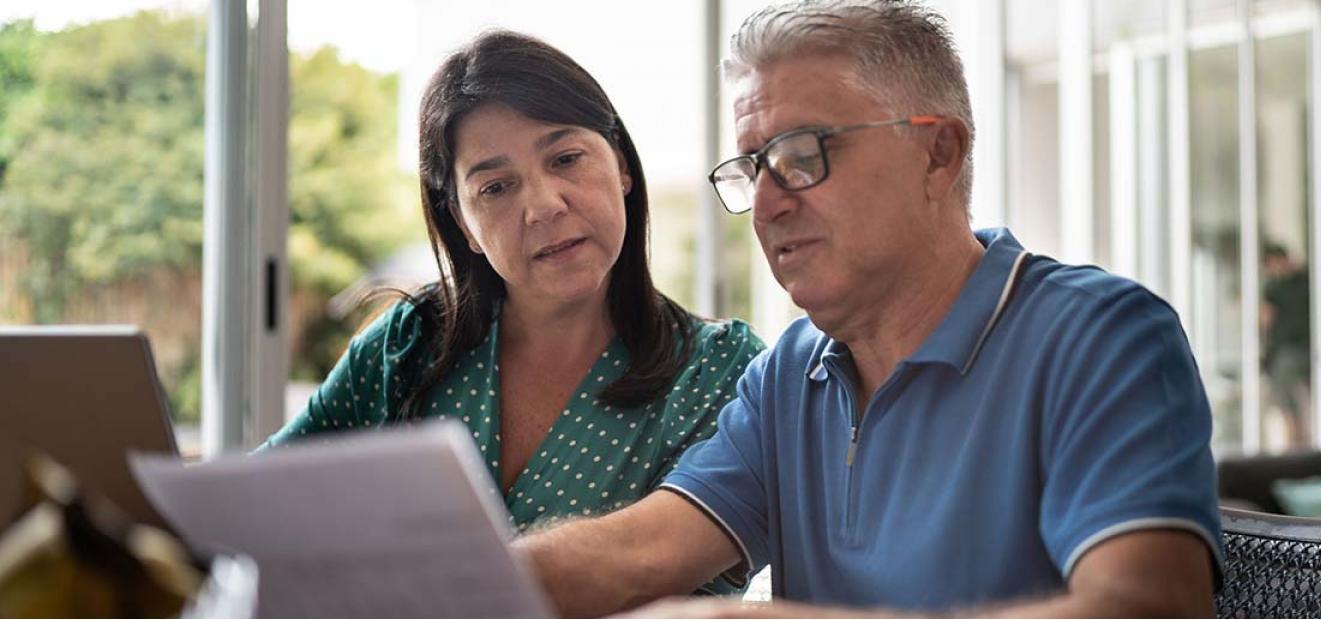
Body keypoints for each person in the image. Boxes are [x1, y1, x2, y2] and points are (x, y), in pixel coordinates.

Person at [514, 1, 1221, 617]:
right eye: (753, 167)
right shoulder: (789, 373)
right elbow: (638, 553)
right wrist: (440, 576)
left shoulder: (1100, 337)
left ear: (938, 153)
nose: (764, 204)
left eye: (800, 154)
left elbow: (1145, 608)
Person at [260, 31, 766, 565]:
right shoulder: (406, 345)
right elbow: (257, 499)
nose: (544, 206)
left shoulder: (720, 372)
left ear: (620, 165)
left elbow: (684, 578)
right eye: (496, 188)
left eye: (567, 159)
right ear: (464, 224)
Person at [1261, 243, 1311, 447]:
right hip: (1306, 350)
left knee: (1286, 405)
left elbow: (1266, 319)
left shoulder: (1276, 287)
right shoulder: (1307, 281)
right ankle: (1302, 442)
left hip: (1288, 352)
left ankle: (1294, 445)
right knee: (1298, 402)